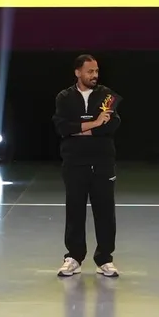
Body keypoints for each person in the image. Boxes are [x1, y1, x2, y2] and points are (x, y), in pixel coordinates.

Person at [52, 54, 122, 278]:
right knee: (74, 210)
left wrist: (81, 129)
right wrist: (94, 123)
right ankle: (74, 257)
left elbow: (111, 125)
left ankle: (105, 259)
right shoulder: (64, 97)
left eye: (96, 71)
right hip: (74, 163)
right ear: (77, 72)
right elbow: (63, 127)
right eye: (90, 71)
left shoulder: (107, 96)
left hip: (103, 163)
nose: (94, 75)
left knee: (105, 212)